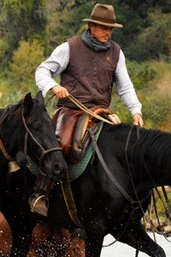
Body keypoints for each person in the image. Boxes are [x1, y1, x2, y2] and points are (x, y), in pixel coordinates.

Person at [30, 3, 144, 216]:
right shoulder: (69, 48)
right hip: (71, 110)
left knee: (125, 149)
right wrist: (54, 87)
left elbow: (125, 86)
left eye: (110, 29)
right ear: (91, 25)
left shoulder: (117, 53)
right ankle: (40, 194)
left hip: (102, 113)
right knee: (62, 144)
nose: (107, 32)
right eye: (103, 27)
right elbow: (43, 70)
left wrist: (136, 111)